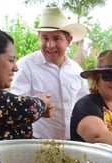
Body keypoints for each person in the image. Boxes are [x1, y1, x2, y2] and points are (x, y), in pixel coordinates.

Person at [11, 5, 89, 140]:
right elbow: (16, 105)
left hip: (72, 141)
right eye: (45, 38)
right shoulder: (25, 66)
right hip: (36, 142)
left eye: (56, 38)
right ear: (39, 38)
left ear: (68, 41)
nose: (50, 45)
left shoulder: (76, 70)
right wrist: (37, 108)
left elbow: (84, 106)